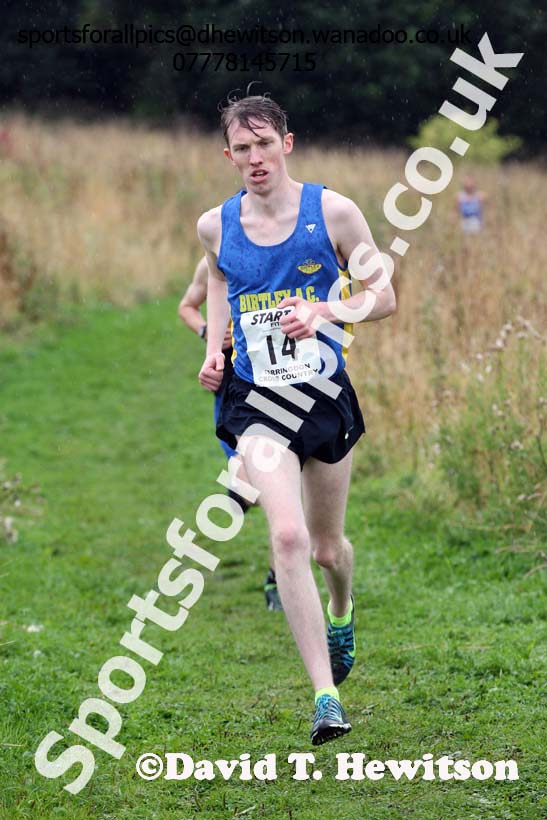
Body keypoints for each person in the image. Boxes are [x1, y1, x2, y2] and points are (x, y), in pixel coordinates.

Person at [197, 92, 396, 745]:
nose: (254, 158)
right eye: (241, 148)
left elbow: (382, 296)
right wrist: (213, 350)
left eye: (264, 144)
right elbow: (221, 283)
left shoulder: (333, 212)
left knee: (326, 546)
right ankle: (324, 697)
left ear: (287, 143)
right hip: (255, 400)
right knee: (286, 538)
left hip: (321, 397)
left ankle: (341, 608)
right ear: (229, 155)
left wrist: (326, 313)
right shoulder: (213, 225)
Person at [178, 256, 282, 611]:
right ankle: (242, 488)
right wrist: (208, 331)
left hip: (281, 381)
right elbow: (187, 306)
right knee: (255, 490)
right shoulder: (214, 259)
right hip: (234, 388)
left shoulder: (288, 255)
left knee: (279, 491)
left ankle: (278, 580)